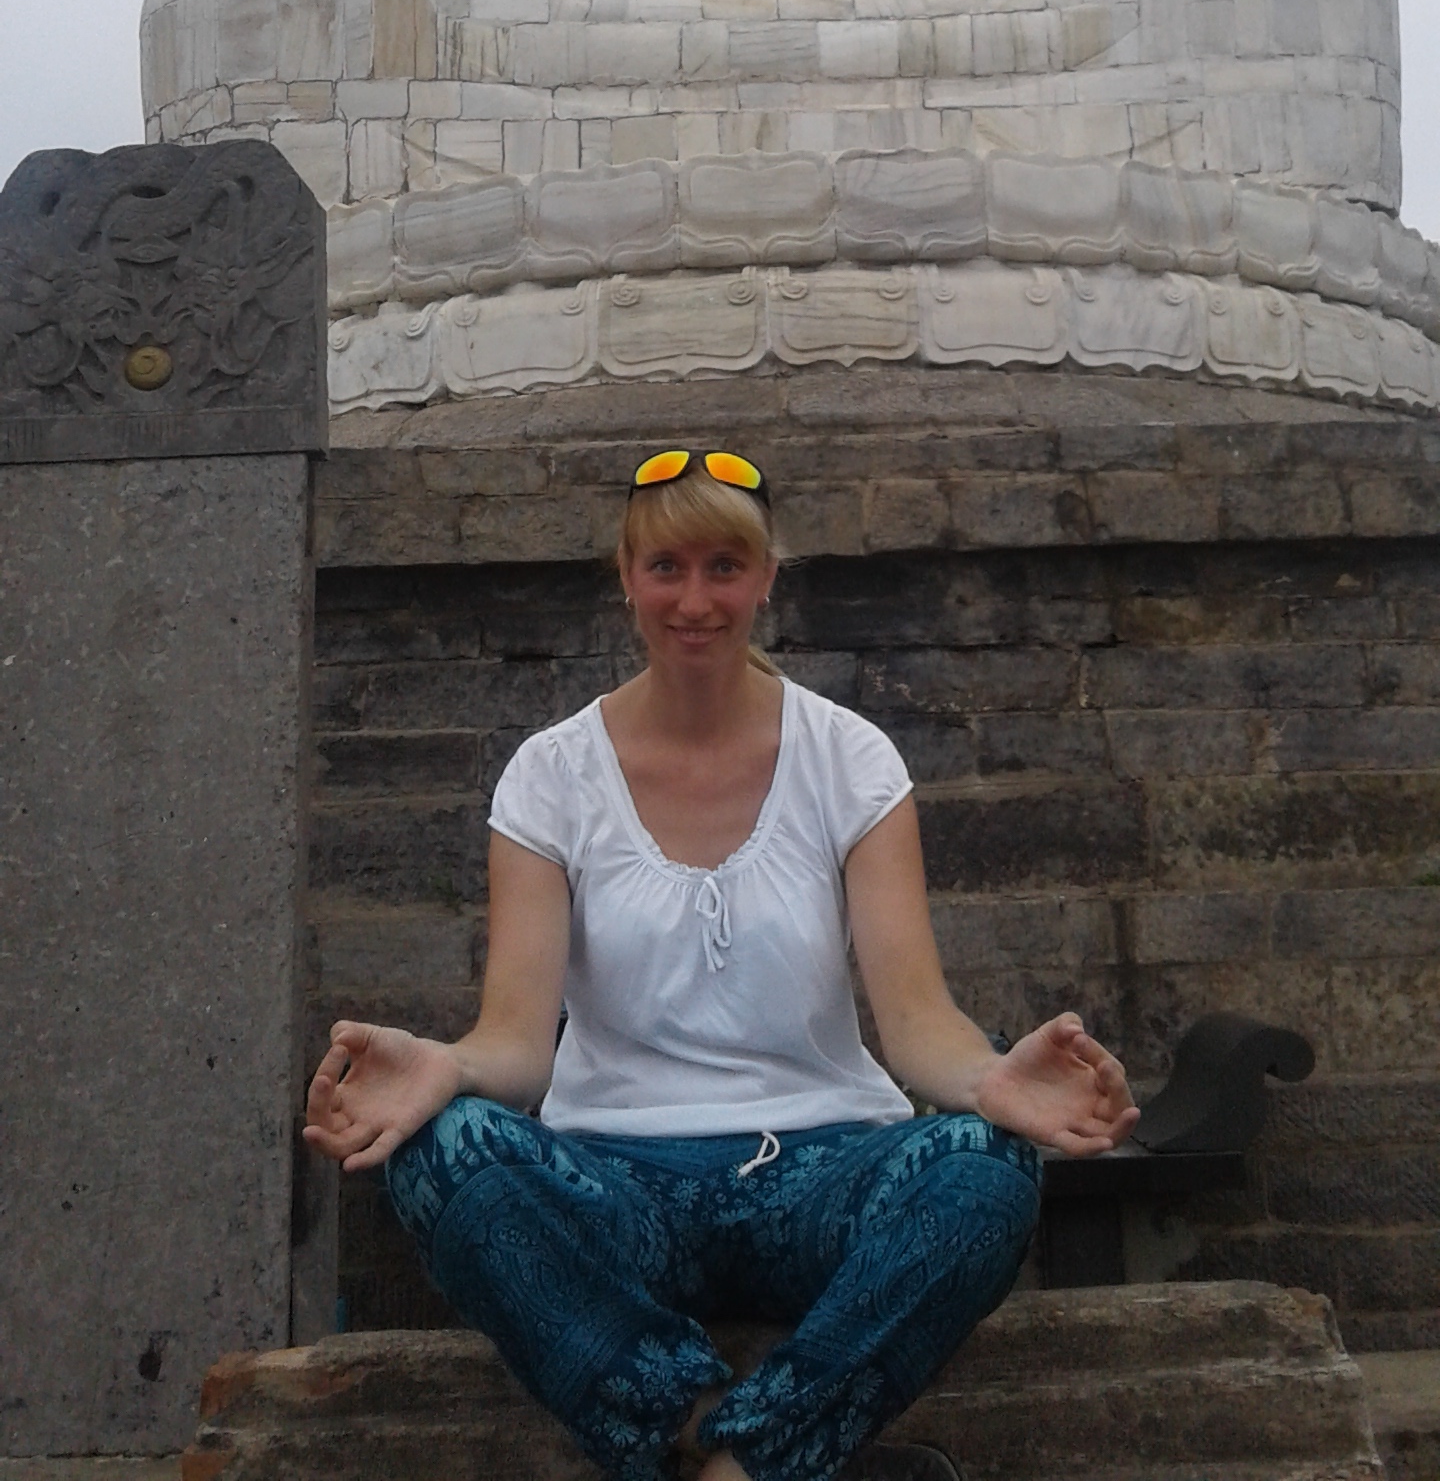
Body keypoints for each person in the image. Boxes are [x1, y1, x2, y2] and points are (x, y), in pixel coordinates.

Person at [304, 448, 1138, 1481]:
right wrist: (448, 1066)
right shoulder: (550, 775)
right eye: (666, 567)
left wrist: (989, 1079)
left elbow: (918, 1022)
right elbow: (515, 1045)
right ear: (626, 576)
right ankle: (701, 1422)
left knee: (985, 1166)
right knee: (445, 1150)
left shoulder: (850, 758)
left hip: (823, 1174)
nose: (694, 601)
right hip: (618, 1186)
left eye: (723, 567)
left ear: (766, 577)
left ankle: (741, 1466)